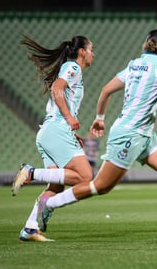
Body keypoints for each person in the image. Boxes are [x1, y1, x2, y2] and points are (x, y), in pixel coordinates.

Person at [30, 29, 157, 244]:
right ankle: (49, 204)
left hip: (144, 133)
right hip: (130, 134)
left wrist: (100, 117)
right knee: (100, 186)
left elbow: (106, 90)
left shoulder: (135, 64)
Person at [12, 34, 95, 241]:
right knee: (85, 178)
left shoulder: (72, 70)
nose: (94, 54)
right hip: (57, 129)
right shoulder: (73, 67)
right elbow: (56, 88)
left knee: (57, 186)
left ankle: (30, 227)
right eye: (91, 49)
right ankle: (30, 172)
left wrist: (71, 131)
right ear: (82, 52)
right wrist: (68, 118)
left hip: (49, 132)